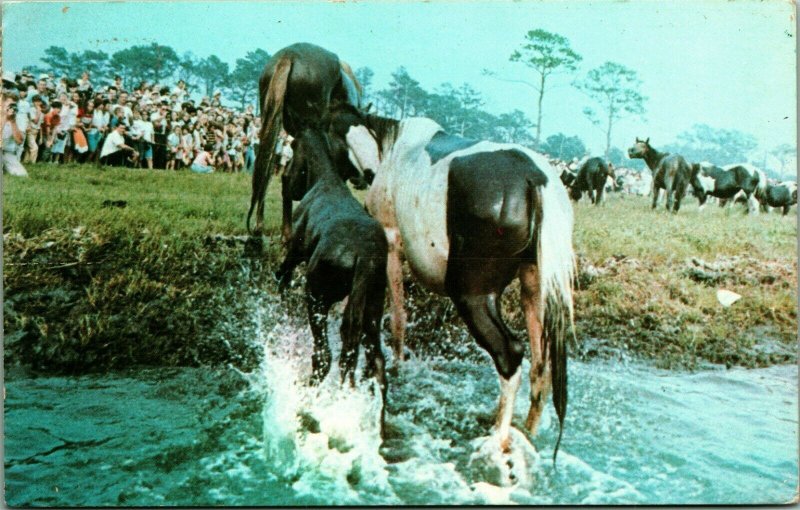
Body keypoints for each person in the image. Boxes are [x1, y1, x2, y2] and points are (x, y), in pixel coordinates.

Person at [3, 98, 28, 176]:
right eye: (9, 106)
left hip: (7, 153)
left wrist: (12, 121)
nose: (12, 108)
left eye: (14, 106)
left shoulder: (18, 119)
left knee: (22, 175)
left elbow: (19, 141)